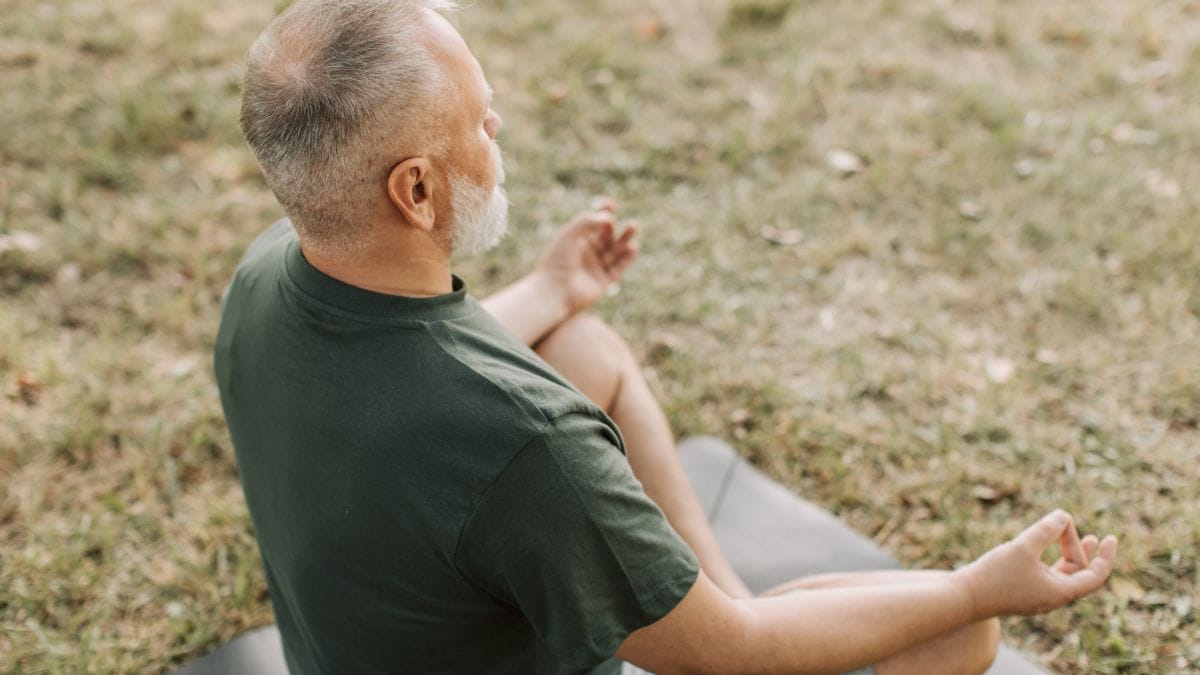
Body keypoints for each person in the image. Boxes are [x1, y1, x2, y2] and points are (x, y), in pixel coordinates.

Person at [215, 1, 1119, 673]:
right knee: (956, 636)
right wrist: (978, 586)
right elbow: (730, 652)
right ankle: (742, 603)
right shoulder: (521, 444)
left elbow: (400, 379)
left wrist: (550, 287)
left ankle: (710, 582)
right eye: (478, 120)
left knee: (582, 348)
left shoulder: (264, 277)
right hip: (691, 643)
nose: (498, 130)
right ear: (414, 192)